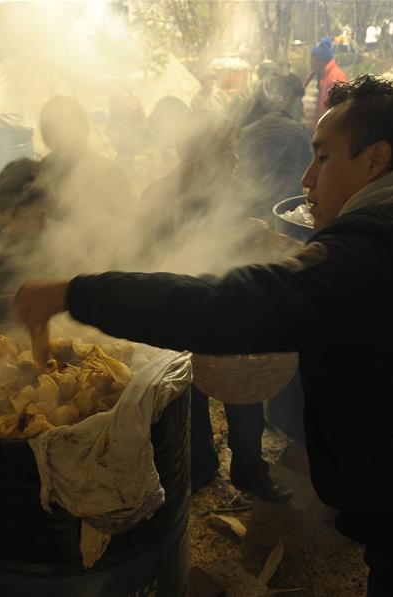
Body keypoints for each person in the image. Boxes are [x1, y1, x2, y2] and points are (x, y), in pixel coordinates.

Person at [15, 75, 393, 596]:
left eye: (322, 158)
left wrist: (77, 293)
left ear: (375, 160)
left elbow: (224, 306)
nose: (307, 178)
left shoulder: (379, 254)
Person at [139, 113, 291, 502]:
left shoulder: (234, 191)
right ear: (203, 157)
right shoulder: (160, 196)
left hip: (230, 309)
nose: (237, 161)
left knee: (244, 393)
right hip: (181, 311)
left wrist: (253, 236)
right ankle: (199, 467)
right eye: (229, 152)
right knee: (189, 393)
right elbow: (147, 257)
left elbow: (248, 250)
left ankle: (248, 469)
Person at [0, 158, 88, 322]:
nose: (41, 224)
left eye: (43, 215)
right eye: (28, 218)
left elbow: (84, 286)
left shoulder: (63, 236)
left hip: (61, 331)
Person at [37, 95, 134, 269]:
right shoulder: (37, 175)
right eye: (60, 131)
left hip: (106, 268)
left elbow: (129, 226)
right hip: (56, 268)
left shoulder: (110, 173)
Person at [237, 74, 313, 218]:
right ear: (289, 101)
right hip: (285, 212)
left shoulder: (249, 130)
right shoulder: (298, 133)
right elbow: (309, 173)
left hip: (251, 209)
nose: (302, 107)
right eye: (299, 101)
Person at [307, 36, 348, 128]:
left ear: (320, 61)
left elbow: (338, 112)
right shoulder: (319, 74)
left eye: (312, 59)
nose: (310, 62)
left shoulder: (336, 78)